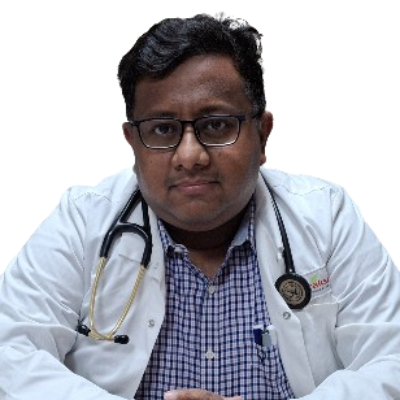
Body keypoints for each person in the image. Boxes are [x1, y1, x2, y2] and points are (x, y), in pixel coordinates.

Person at [0, 12, 399, 400]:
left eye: (217, 125)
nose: (190, 156)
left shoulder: (326, 215)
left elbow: (390, 360)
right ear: (132, 142)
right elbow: (10, 352)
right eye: (162, 129)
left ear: (263, 136)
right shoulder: (81, 219)